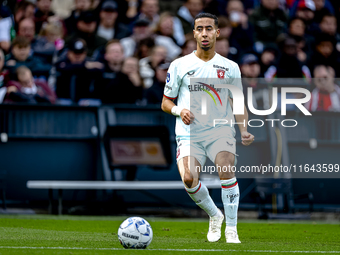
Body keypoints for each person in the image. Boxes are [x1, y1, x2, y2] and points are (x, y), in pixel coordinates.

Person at [161, 13, 254, 243]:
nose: (204, 33)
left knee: (225, 167)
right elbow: (165, 102)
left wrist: (243, 130)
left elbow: (237, 102)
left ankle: (232, 229)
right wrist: (178, 111)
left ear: (217, 33)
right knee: (189, 179)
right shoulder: (179, 65)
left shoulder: (230, 67)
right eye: (199, 29)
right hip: (189, 133)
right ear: (194, 33)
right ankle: (215, 215)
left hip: (219, 131)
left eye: (209, 29)